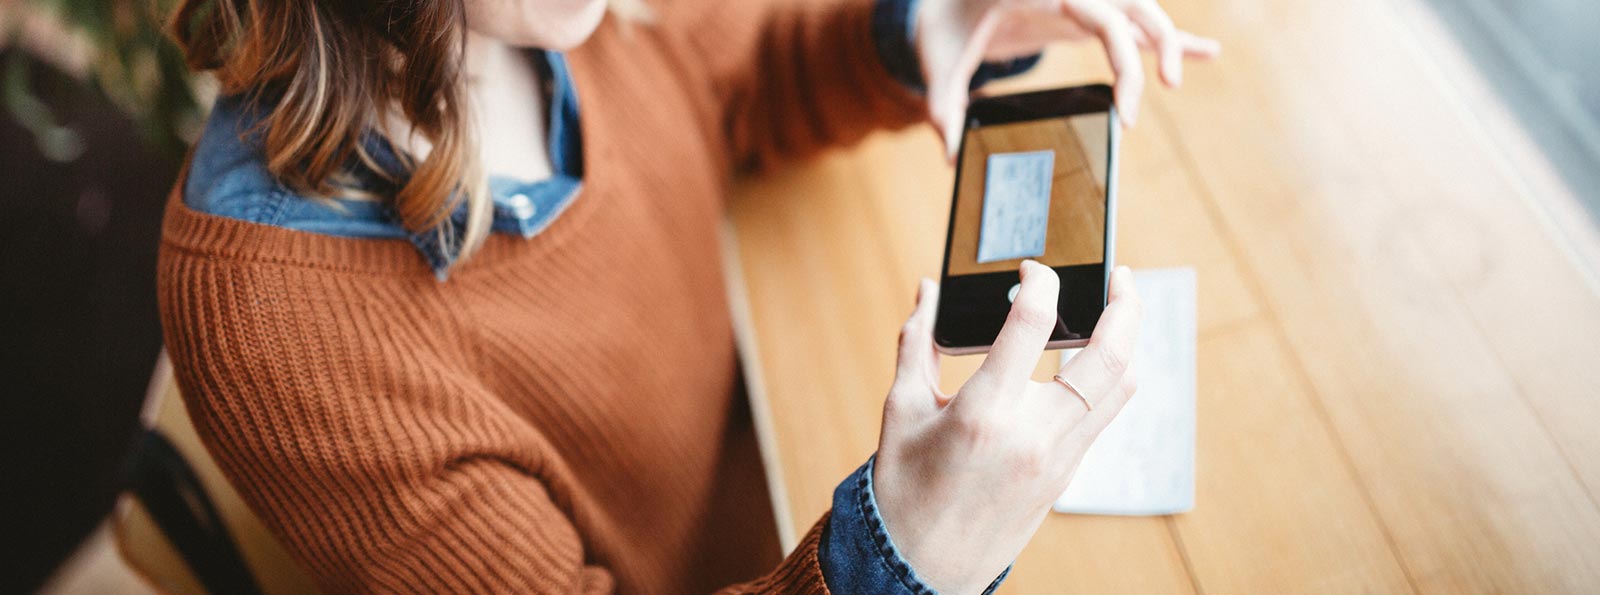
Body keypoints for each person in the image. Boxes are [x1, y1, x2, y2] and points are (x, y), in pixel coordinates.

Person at [157, 0, 1217, 592]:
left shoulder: (548, 16)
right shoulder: (276, 324)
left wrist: (918, 33)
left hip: (770, 442)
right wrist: (900, 558)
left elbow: (737, 77)